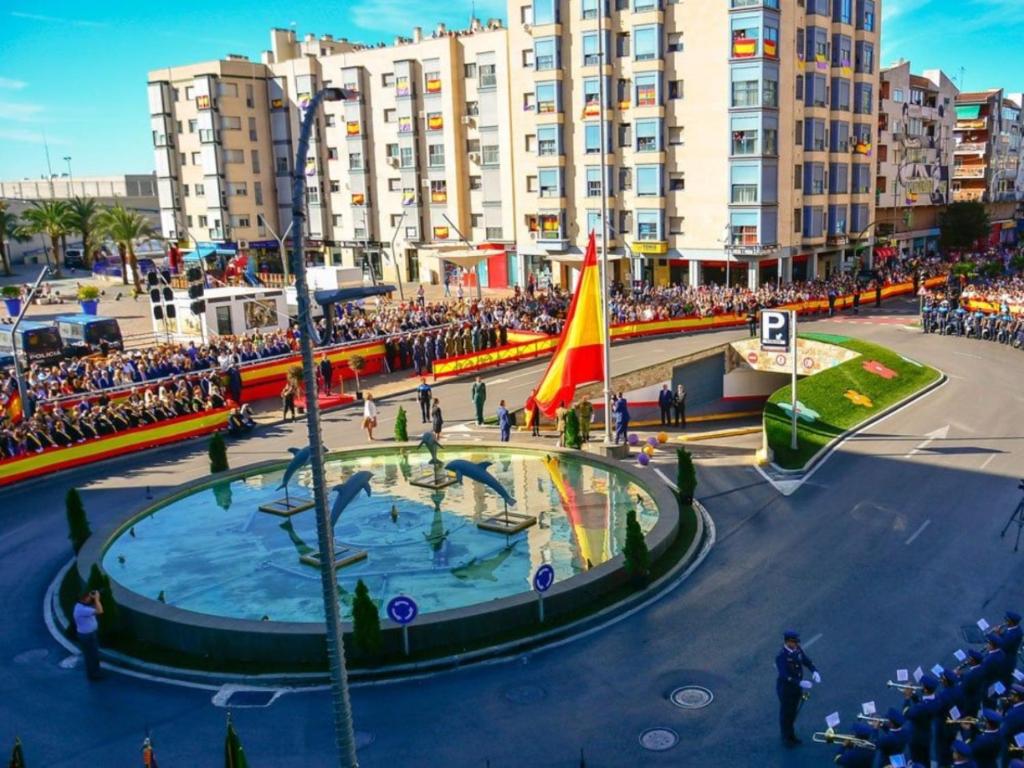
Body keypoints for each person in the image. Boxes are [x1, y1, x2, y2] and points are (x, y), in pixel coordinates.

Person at [775, 629, 819, 746]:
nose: (796, 644)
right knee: (786, 713)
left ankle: (791, 734)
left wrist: (814, 671)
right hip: (786, 689)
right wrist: (799, 682)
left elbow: (806, 660)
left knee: (793, 712)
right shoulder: (782, 656)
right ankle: (786, 737)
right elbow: (784, 675)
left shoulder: (797, 650)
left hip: (796, 688)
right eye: (794, 642)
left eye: (796, 642)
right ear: (788, 642)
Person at [903, 673, 941, 766]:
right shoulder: (935, 699)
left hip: (917, 738)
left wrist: (907, 698)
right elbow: (922, 702)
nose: (920, 687)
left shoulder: (922, 707)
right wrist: (914, 696)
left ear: (925, 689)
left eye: (922, 686)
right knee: (925, 759)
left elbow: (906, 713)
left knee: (917, 761)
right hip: (926, 734)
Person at [73, 589, 104, 680]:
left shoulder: (82, 606)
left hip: (89, 634)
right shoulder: (81, 609)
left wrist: (95, 600)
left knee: (93, 655)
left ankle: (95, 672)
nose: (90, 598)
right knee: (91, 656)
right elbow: (100, 611)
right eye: (88, 597)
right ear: (84, 599)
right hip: (87, 636)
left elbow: (94, 608)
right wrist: (97, 599)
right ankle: (94, 675)